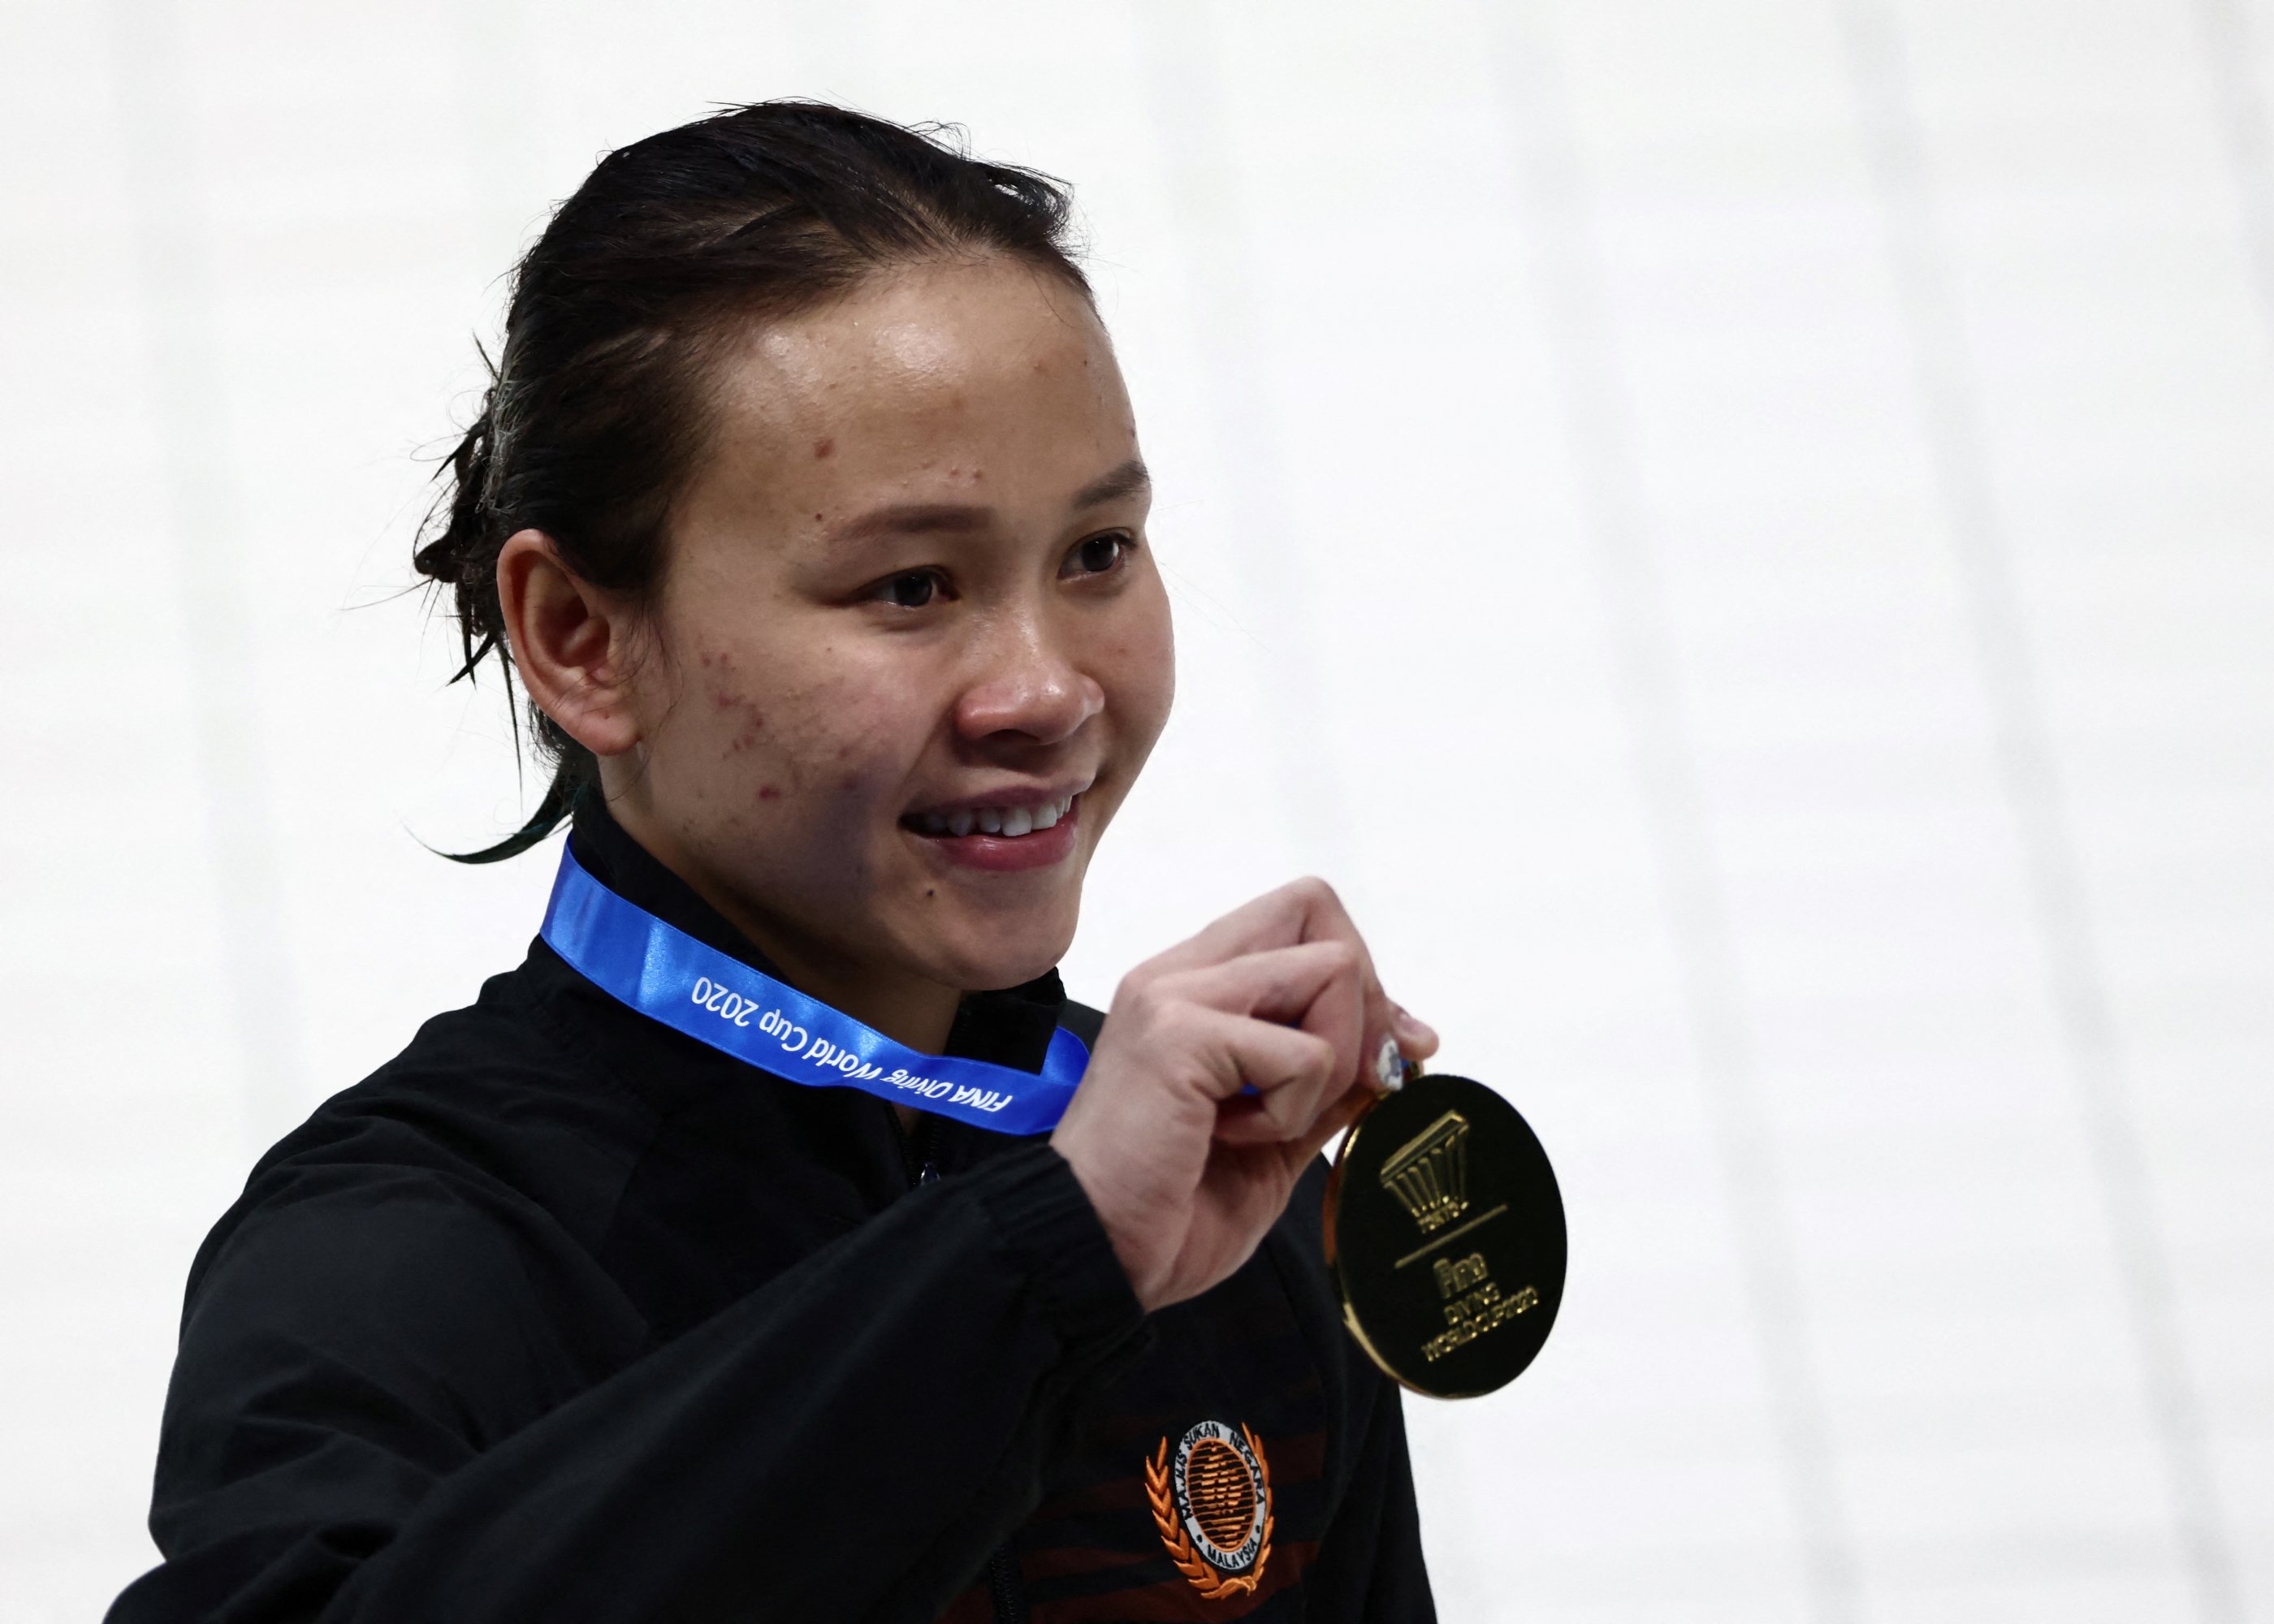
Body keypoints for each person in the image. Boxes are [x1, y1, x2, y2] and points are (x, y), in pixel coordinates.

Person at [110, 102, 1440, 1622]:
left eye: (1097, 553)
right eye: (911, 585)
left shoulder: (1222, 1209)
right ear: (582, 639)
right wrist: (1039, 1267)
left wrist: (1071, 1236)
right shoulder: (404, 1260)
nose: (1047, 690)